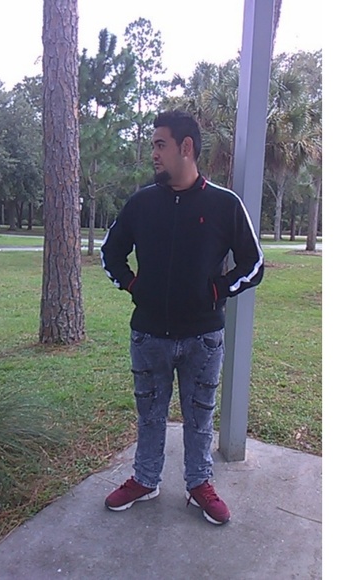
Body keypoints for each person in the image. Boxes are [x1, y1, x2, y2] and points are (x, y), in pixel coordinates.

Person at [100, 110, 264, 525]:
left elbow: (254, 263)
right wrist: (134, 286)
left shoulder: (224, 204)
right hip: (149, 335)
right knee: (150, 414)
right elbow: (110, 253)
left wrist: (216, 290)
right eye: (153, 145)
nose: (154, 154)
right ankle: (146, 479)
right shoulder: (141, 203)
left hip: (203, 338)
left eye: (160, 145)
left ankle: (198, 484)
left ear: (186, 147)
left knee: (200, 415)